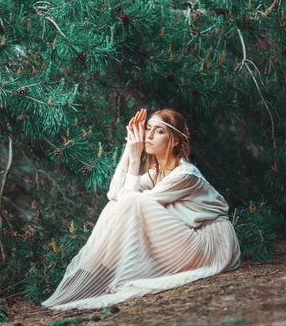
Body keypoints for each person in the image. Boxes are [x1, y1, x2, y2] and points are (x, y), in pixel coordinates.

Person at [41, 108, 241, 311]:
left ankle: (94, 273)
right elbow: (115, 194)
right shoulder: (157, 172)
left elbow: (131, 202)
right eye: (148, 129)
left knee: (132, 201)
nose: (150, 135)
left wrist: (136, 159)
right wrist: (129, 148)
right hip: (189, 240)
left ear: (174, 140)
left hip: (211, 245)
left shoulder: (185, 175)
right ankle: (92, 274)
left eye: (159, 131)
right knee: (117, 204)